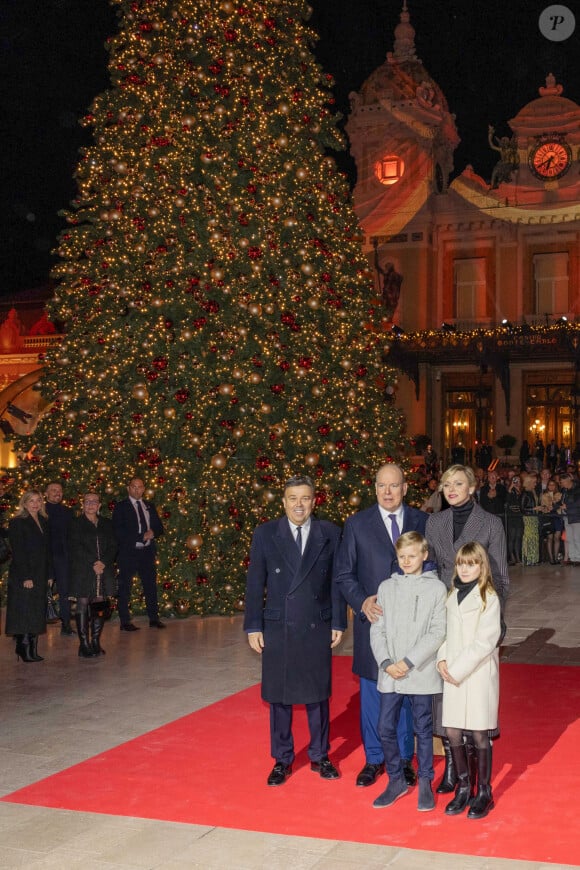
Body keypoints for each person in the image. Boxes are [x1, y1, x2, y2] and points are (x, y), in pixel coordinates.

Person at [244, 474, 346, 786]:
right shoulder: (266, 533)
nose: (298, 504)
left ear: (314, 501)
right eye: (293, 499)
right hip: (278, 625)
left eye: (305, 498)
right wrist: (253, 625)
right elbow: (254, 583)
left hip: (317, 622)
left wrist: (339, 621)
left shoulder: (330, 532)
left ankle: (320, 755)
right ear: (283, 501)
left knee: (317, 695)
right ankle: (282, 759)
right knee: (280, 697)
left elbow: (337, 582)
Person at [334, 463, 428, 788]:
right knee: (374, 694)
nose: (388, 492)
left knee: (404, 691)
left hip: (410, 628)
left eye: (394, 485)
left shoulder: (422, 521)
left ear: (405, 488)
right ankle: (374, 759)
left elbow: (432, 567)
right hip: (373, 626)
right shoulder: (357, 524)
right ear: (374, 489)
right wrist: (361, 601)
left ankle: (403, 760)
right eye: (381, 486)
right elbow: (344, 574)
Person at [425, 464, 508, 795]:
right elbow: (429, 567)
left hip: (476, 612)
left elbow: (500, 575)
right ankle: (452, 769)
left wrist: (495, 620)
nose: (451, 489)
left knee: (474, 698)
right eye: (446, 484)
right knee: (443, 699)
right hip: (443, 612)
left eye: (458, 483)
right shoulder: (435, 522)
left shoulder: (490, 523)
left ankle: (477, 778)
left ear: (472, 487)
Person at [370, 532, 446, 811]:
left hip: (420, 670)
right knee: (385, 727)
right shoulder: (386, 587)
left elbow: (438, 631)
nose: (406, 561)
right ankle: (396, 780)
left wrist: (409, 661)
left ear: (424, 555)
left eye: (412, 556)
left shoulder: (436, 589)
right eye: (402, 556)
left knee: (423, 728)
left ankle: (425, 780)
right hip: (391, 671)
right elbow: (376, 628)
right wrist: (387, 661)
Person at [436, 542, 501, 819]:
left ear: (482, 566)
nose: (465, 568)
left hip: (476, 674)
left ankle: (483, 791)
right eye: (461, 563)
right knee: (452, 731)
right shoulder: (452, 595)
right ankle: (464, 786)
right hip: (453, 672)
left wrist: (457, 670)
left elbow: (484, 642)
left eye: (472, 563)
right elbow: (447, 634)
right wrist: (441, 659)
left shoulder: (489, 597)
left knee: (478, 733)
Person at [5, 490, 53, 663]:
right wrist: (26, 576)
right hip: (24, 574)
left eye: (38, 500)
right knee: (25, 610)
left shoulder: (44, 521)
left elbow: (49, 551)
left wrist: (50, 574)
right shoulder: (18, 522)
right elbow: (18, 552)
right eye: (31, 501)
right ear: (24, 503)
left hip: (41, 573)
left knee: (36, 610)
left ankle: (33, 648)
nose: (35, 503)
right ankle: (23, 647)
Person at [69, 492, 118, 657]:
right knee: (82, 604)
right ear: (82, 505)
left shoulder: (107, 523)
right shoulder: (75, 523)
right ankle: (83, 644)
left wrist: (103, 562)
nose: (90, 504)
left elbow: (113, 545)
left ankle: (95, 641)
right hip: (83, 569)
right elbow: (75, 547)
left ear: (99, 505)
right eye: (87, 501)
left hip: (103, 570)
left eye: (94, 501)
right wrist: (93, 563)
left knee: (99, 605)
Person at [112, 477, 165, 630]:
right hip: (128, 553)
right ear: (128, 488)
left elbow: (159, 527)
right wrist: (141, 536)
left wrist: (153, 532)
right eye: (134, 487)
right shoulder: (121, 507)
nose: (137, 489)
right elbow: (118, 531)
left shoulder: (149, 506)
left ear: (144, 489)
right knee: (125, 587)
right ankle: (125, 621)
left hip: (147, 552)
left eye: (140, 487)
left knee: (150, 585)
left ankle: (154, 618)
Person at [44, 481, 74, 636]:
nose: (57, 492)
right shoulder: (40, 510)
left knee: (65, 592)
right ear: (46, 493)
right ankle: (31, 628)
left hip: (63, 558)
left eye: (59, 490)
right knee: (39, 592)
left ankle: (66, 625)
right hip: (44, 558)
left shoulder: (68, 512)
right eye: (53, 490)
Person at [540, 478, 563, 564]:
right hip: (548, 517)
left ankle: (556, 557)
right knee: (550, 538)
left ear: (556, 486)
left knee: (557, 538)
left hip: (557, 517)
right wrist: (547, 507)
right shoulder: (544, 495)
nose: (551, 486)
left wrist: (554, 503)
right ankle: (551, 558)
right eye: (550, 485)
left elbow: (560, 506)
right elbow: (543, 507)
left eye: (553, 485)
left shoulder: (559, 494)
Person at [559, 473, 580, 565]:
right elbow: (561, 502)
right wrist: (553, 507)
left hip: (576, 517)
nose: (561, 484)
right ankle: (573, 558)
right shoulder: (564, 490)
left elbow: (578, 503)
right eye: (561, 482)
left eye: (563, 482)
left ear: (568, 481)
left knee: (577, 538)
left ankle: (579, 557)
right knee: (570, 538)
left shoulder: (577, 490)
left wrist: (567, 506)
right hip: (566, 517)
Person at [520, 473, 541, 566]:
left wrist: (540, 508)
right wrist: (534, 509)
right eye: (534, 482)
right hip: (528, 518)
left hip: (534, 517)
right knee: (529, 538)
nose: (535, 484)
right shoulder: (524, 493)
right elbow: (522, 508)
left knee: (534, 537)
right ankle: (528, 559)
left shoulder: (533, 492)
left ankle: (534, 558)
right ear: (529, 482)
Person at [505, 475, 523, 565]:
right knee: (511, 538)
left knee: (518, 538)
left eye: (519, 481)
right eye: (515, 481)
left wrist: (519, 491)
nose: (517, 482)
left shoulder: (522, 491)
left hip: (519, 517)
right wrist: (511, 487)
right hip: (512, 517)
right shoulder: (509, 491)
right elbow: (506, 501)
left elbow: (522, 504)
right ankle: (512, 557)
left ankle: (518, 556)